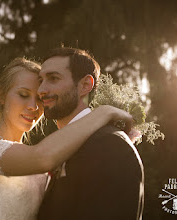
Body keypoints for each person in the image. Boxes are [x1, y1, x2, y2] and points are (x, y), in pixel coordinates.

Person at [0, 57, 134, 220]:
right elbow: (42, 157)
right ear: (1, 95)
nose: (33, 107)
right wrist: (104, 112)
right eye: (23, 95)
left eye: (40, 100)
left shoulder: (43, 160)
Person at [37, 47, 144, 220]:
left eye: (53, 79)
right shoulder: (56, 148)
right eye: (40, 81)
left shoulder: (110, 145)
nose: (41, 89)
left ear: (85, 85)